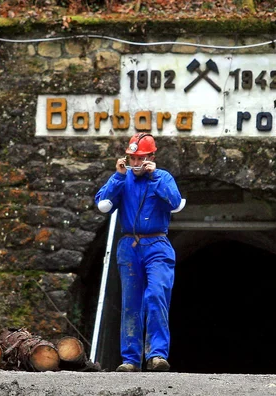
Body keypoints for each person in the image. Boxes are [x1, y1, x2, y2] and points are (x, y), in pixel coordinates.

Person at [95, 133, 186, 372]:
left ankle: (156, 355)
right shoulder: (123, 178)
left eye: (140, 158)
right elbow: (103, 204)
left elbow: (175, 202)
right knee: (130, 302)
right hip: (129, 246)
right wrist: (117, 176)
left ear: (151, 157)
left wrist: (154, 175)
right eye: (132, 158)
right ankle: (130, 359)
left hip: (157, 244)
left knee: (156, 295)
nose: (136, 163)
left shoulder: (162, 177)